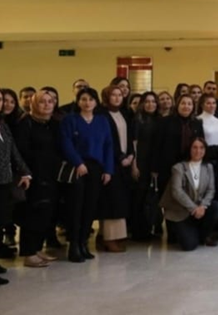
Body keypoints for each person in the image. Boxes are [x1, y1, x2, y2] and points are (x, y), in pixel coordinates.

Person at [60, 87, 112, 263]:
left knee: (90, 206)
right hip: (77, 167)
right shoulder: (70, 120)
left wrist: (108, 170)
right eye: (83, 99)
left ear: (96, 102)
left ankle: (83, 243)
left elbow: (108, 145)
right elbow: (66, 143)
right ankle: (73, 244)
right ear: (78, 101)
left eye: (91, 99)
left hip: (96, 168)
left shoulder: (102, 120)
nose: (87, 102)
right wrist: (78, 162)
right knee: (76, 206)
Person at [13, 89, 59, 268]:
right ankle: (28, 253)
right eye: (42, 101)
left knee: (45, 214)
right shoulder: (26, 123)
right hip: (33, 176)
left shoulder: (51, 123)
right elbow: (22, 150)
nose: (46, 105)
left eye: (50, 101)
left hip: (50, 175)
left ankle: (37, 248)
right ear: (34, 104)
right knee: (32, 214)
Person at [159, 138, 218, 251]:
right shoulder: (178, 168)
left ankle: (203, 235)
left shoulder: (208, 167)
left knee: (217, 207)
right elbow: (177, 192)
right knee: (189, 246)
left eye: (201, 148)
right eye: (195, 147)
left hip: (200, 208)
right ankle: (188, 232)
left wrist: (203, 206)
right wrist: (193, 208)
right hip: (181, 210)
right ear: (189, 149)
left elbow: (211, 190)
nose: (198, 151)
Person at [96, 86, 134, 253]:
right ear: (106, 97)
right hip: (110, 162)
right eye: (113, 95)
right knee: (112, 201)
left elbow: (130, 136)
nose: (118, 98)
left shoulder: (124, 113)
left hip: (125, 163)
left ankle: (114, 236)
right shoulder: (101, 115)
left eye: (120, 95)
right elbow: (107, 141)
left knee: (120, 200)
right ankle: (109, 238)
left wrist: (131, 155)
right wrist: (120, 157)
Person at [0, 93, 31, 280]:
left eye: (0, 99)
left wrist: (25, 171)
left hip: (4, 180)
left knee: (1, 221)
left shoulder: (3, 124)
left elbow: (13, 151)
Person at [154, 94, 204, 193]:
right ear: (177, 105)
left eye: (189, 104)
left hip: (189, 165)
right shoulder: (165, 122)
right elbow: (157, 145)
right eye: (183, 103)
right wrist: (154, 168)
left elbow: (201, 144)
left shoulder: (197, 123)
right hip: (168, 165)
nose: (186, 106)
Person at [130, 91, 161, 240]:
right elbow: (134, 144)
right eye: (147, 101)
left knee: (150, 198)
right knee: (139, 198)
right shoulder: (138, 120)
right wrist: (134, 165)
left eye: (153, 101)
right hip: (140, 162)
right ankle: (138, 231)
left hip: (153, 162)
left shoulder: (158, 120)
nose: (151, 104)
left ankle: (149, 229)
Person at [198, 94, 218, 162]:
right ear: (202, 105)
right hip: (205, 156)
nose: (212, 105)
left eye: (214, 103)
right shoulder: (198, 120)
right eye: (208, 103)